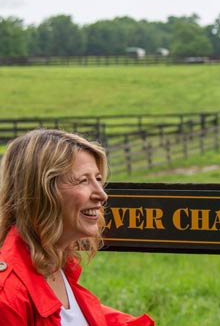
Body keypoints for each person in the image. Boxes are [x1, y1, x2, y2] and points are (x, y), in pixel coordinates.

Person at [0, 129, 154, 325]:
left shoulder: (56, 265)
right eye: (83, 181)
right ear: (43, 193)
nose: (102, 194)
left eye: (98, 179)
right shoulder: (8, 296)